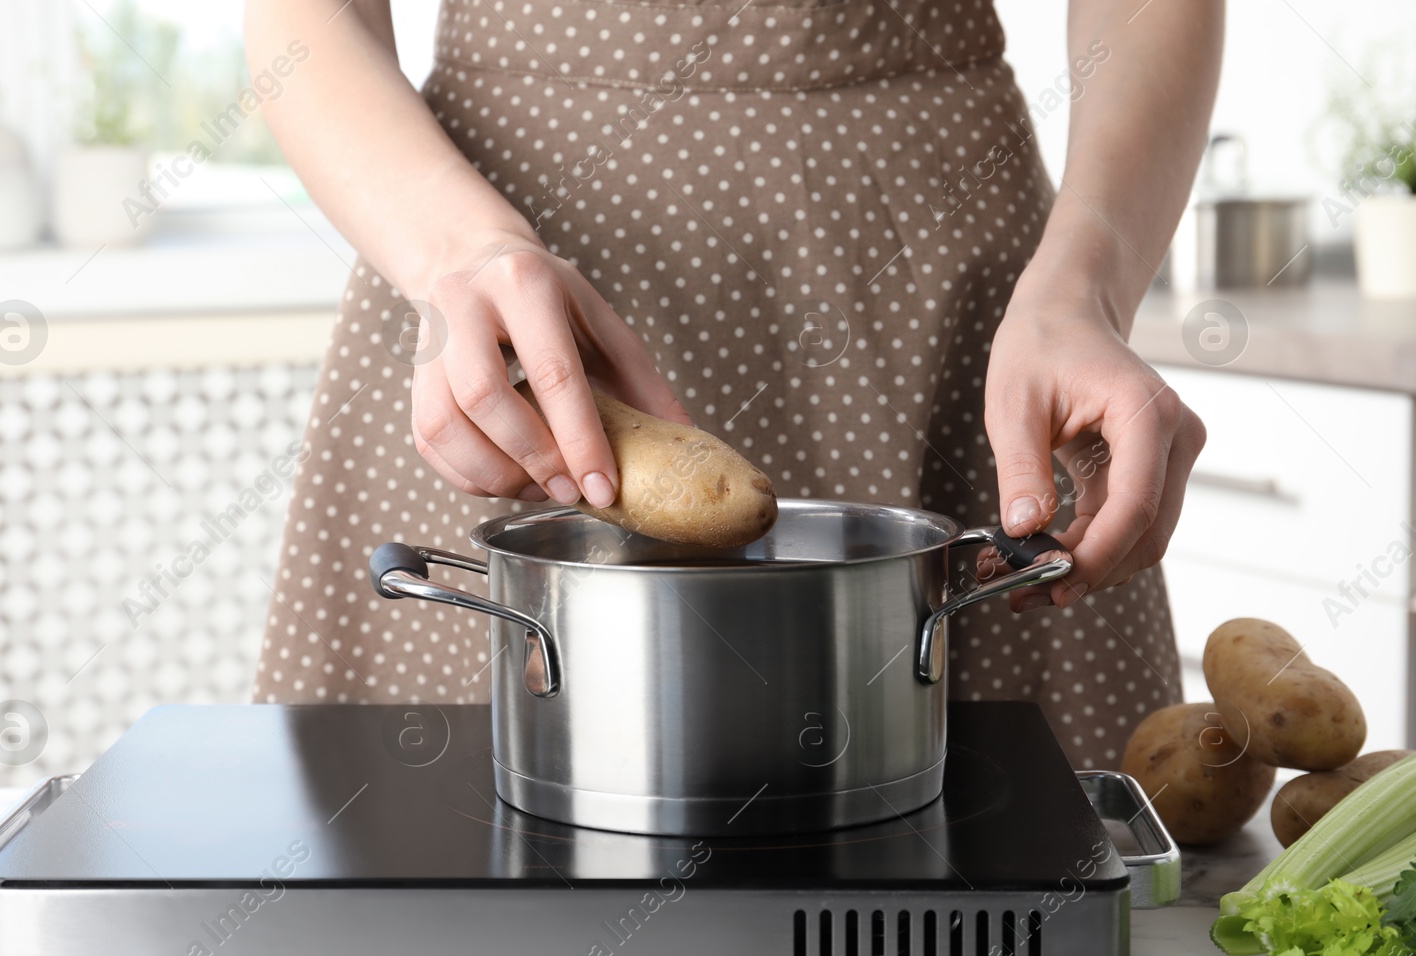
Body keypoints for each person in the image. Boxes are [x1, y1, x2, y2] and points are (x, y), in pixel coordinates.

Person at [246, 0, 1217, 769]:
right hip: (499, 306)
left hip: (950, 287)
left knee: (1012, 929)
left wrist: (1085, 284)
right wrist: (460, 253)